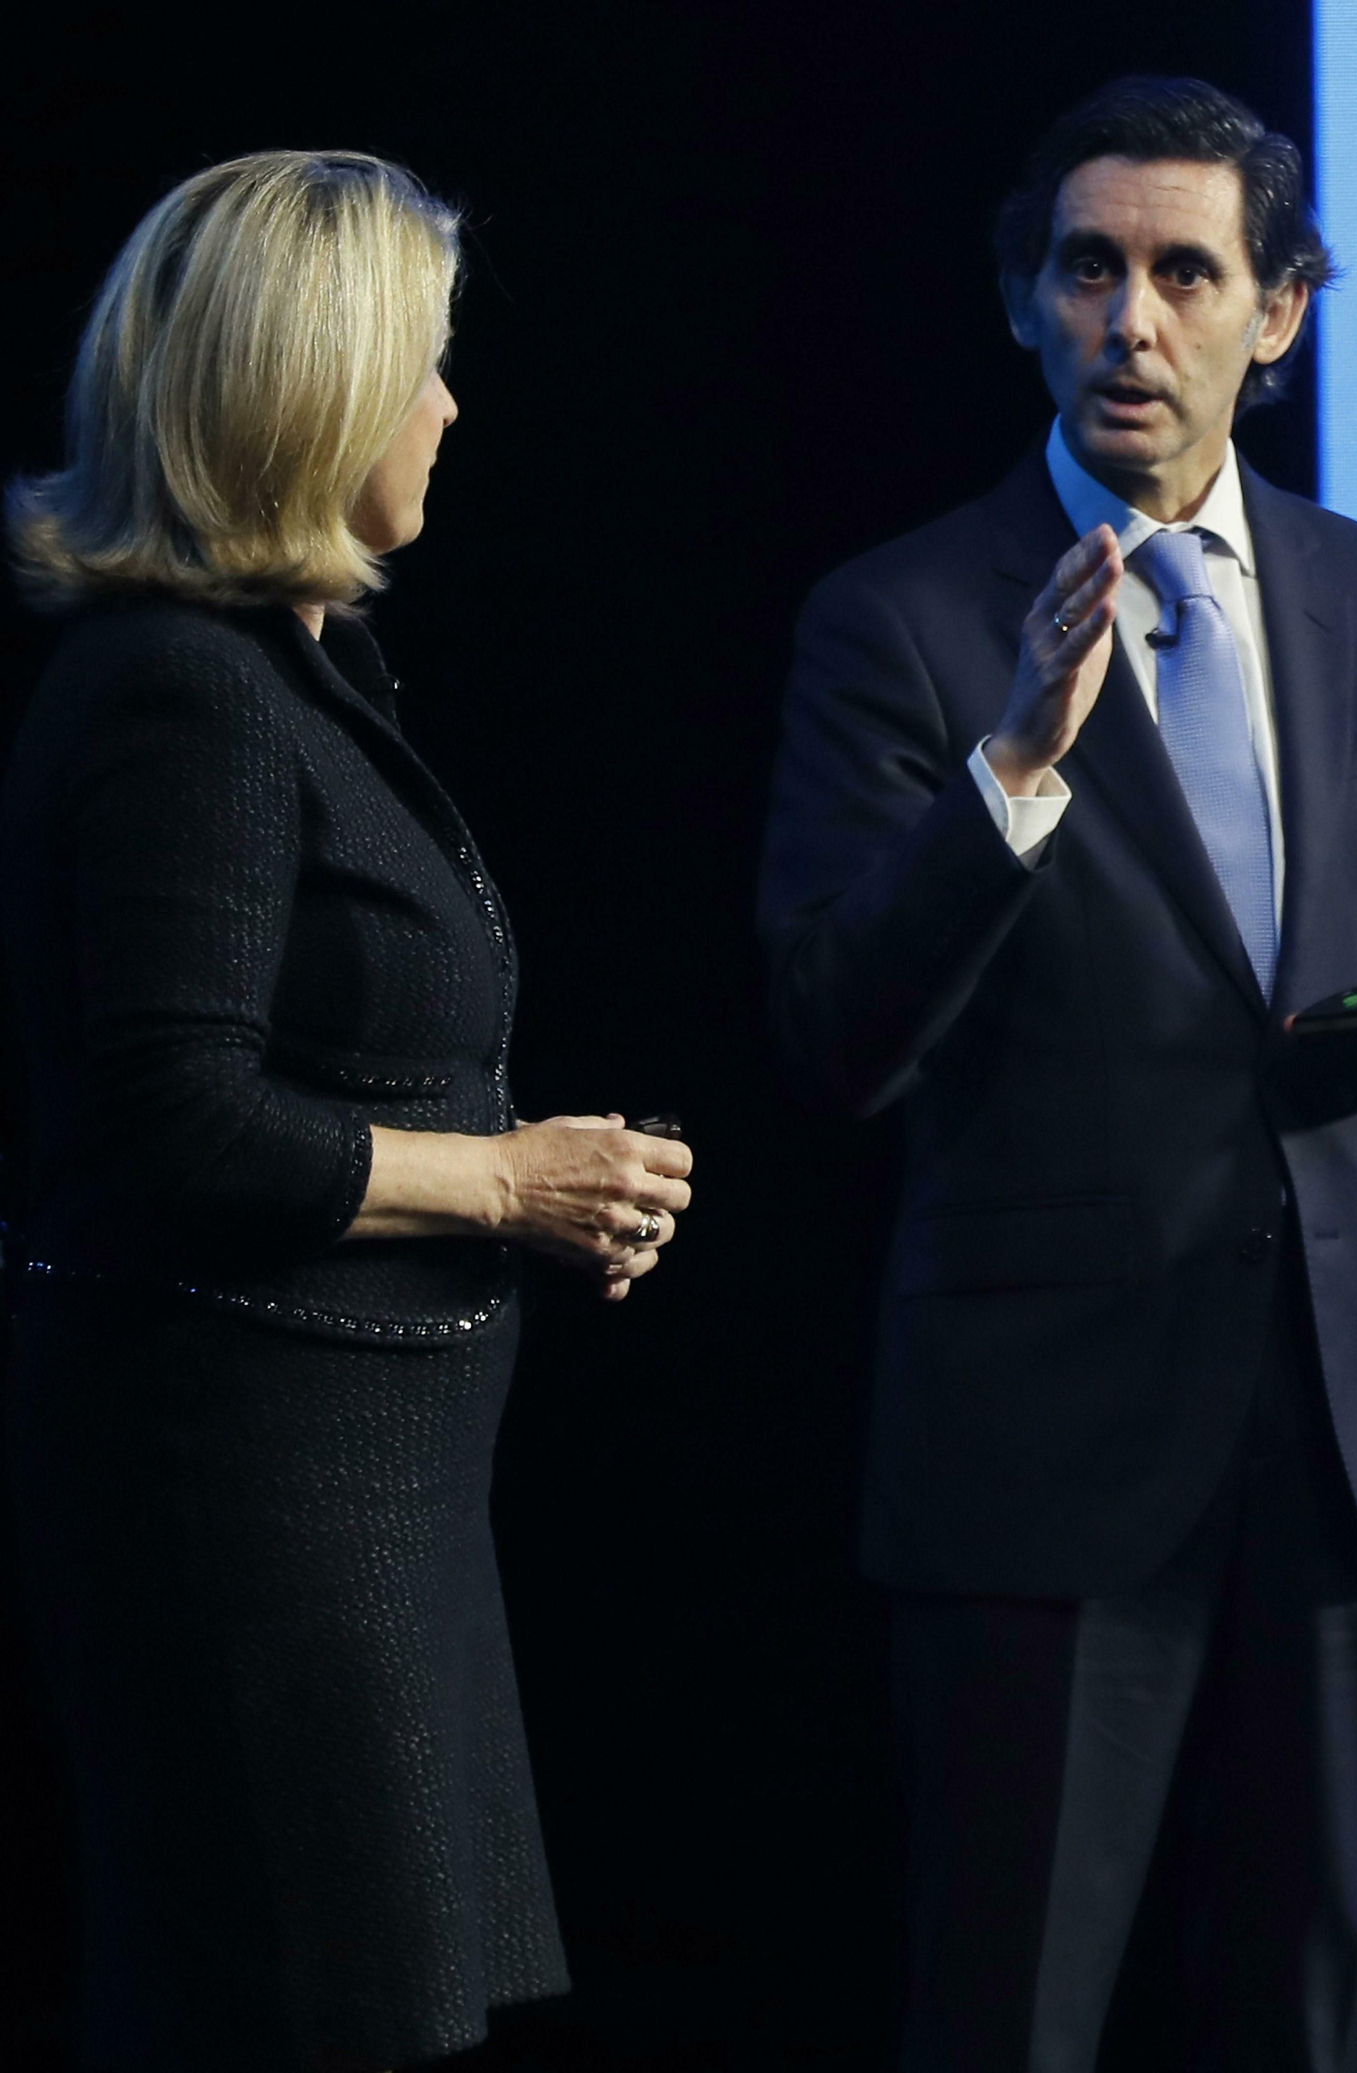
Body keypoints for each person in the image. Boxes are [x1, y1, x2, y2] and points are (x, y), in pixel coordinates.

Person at [759, 76, 1357, 2073]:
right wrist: (1012, 765)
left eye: (1183, 272)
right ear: (1024, 303)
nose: (1129, 318)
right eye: (1086, 269)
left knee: (1304, 2013)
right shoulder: (900, 618)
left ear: (1272, 316)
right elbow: (834, 1031)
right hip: (1043, 1442)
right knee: (1009, 2014)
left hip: (1344, 1432)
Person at [1, 151, 693, 2073]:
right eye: (428, 365)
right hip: (251, 1519)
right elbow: (170, 1126)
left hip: (365, 1508)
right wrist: (506, 1182)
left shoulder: (296, 670)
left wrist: (539, 1193)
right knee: (301, 2021)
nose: (453, 410)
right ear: (313, 389)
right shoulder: (182, 695)